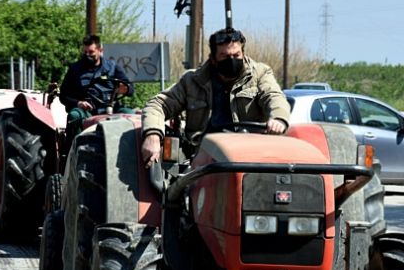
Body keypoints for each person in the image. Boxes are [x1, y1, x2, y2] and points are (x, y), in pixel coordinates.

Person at [141, 27, 291, 167]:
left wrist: (279, 118)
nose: (231, 60)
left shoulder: (260, 74)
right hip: (205, 161)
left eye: (236, 55)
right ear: (213, 58)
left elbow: (274, 96)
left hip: (252, 157)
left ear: (243, 53)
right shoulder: (192, 81)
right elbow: (158, 105)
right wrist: (153, 134)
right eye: (224, 56)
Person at [59, 34, 134, 140]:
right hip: (88, 111)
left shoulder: (112, 67)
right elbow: (64, 96)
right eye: (85, 52)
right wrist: (78, 103)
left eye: (91, 52)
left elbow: (130, 88)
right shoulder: (75, 69)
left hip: (111, 108)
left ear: (100, 50)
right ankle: (74, 150)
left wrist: (125, 89)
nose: (88, 56)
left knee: (130, 114)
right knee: (75, 116)